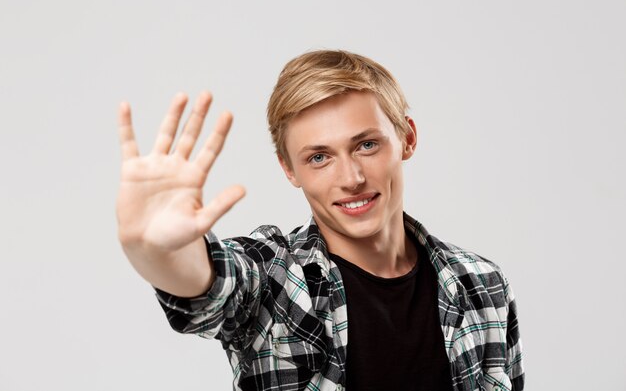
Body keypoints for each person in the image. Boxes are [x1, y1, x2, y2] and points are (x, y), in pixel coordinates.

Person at [116, 50, 524, 391]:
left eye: (366, 145)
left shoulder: (482, 284)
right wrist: (158, 252)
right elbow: (210, 283)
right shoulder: (274, 278)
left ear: (408, 138)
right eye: (319, 157)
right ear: (289, 170)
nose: (351, 179)